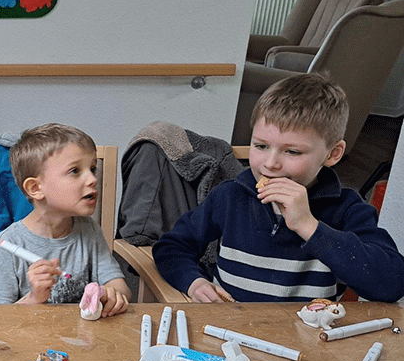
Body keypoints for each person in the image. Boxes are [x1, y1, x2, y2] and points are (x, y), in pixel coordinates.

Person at [153, 73, 404, 303]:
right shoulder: (230, 196)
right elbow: (172, 247)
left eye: (292, 151)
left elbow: (391, 283)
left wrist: (309, 226)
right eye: (261, 146)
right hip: (228, 333)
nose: (270, 164)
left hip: (308, 341)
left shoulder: (347, 207)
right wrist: (194, 282)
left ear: (333, 153)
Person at [0, 123, 130, 314]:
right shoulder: (7, 245)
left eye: (92, 169)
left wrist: (112, 294)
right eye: (75, 171)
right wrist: (33, 299)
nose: (92, 179)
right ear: (35, 188)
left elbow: (117, 284)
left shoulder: (89, 230)